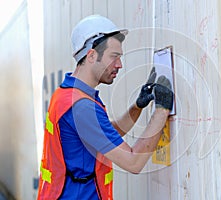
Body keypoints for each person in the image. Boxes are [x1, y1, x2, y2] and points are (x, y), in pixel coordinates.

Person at [37, 15, 173, 200]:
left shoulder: (67, 94)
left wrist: (137, 106)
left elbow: (104, 134)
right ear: (92, 55)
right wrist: (161, 111)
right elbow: (133, 163)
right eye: (114, 57)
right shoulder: (82, 107)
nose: (120, 65)